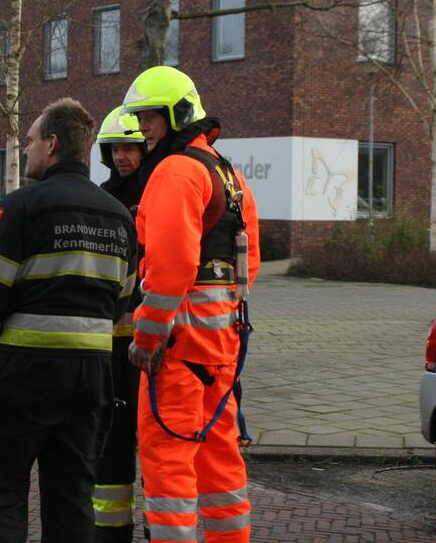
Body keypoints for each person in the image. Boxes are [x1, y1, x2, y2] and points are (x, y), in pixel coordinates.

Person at [0, 97, 138, 543]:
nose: (27, 148)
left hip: (26, 371)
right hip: (93, 380)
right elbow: (123, 303)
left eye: (31, 140)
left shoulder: (22, 205)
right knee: (72, 494)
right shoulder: (119, 217)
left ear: (53, 143)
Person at [122, 66, 261, 543]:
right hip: (222, 346)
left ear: (175, 116)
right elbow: (251, 263)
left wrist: (148, 335)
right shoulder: (229, 173)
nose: (143, 131)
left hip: (177, 349)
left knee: (167, 462)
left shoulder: (176, 170)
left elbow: (171, 264)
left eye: (148, 120)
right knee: (219, 457)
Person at [92, 107, 147, 542]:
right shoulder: (102, 195)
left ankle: (162, 525)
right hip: (110, 341)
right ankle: (111, 532)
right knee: (110, 437)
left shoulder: (159, 188)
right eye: (116, 149)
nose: (123, 156)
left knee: (156, 444)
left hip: (152, 339)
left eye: (131, 147)